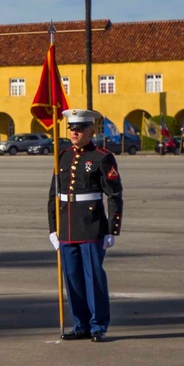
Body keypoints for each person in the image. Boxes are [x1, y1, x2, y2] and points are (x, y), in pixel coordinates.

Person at [48, 109, 123, 342]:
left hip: (91, 226)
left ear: (92, 130)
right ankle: (80, 324)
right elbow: (54, 195)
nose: (75, 132)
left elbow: (114, 195)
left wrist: (112, 229)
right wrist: (53, 228)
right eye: (72, 128)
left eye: (80, 128)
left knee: (93, 278)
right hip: (67, 226)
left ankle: (98, 325)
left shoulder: (102, 157)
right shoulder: (62, 155)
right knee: (72, 278)